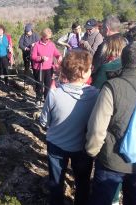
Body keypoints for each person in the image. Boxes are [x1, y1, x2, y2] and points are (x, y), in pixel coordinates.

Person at [86, 42, 136, 205]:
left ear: (123, 60)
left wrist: (92, 151)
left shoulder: (112, 87)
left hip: (111, 160)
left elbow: (97, 127)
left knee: (101, 200)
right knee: (135, 199)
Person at [40, 50, 98, 205]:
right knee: (83, 182)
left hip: (56, 146)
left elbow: (44, 122)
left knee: (56, 182)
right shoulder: (96, 95)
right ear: (85, 73)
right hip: (83, 147)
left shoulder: (54, 94)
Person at [31, 28, 62, 101]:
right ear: (43, 37)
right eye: (47, 38)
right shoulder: (37, 45)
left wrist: (59, 56)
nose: (49, 40)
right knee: (39, 84)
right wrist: (41, 58)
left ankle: (46, 99)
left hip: (49, 68)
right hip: (39, 68)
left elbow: (56, 53)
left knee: (48, 85)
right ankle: (38, 99)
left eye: (50, 38)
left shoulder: (51, 44)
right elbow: (33, 57)